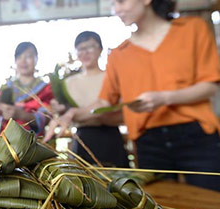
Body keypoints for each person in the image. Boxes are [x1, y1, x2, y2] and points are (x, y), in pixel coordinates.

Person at [51, 0, 220, 191]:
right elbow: (104, 101)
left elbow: (209, 86)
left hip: (197, 134)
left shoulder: (192, 30)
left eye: (121, 2)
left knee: (213, 202)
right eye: (114, 4)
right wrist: (73, 113)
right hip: (148, 141)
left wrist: (164, 98)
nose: (117, 9)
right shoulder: (119, 54)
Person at [44, 31, 128, 167]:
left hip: (111, 138)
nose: (85, 52)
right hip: (83, 137)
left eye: (90, 47)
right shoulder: (68, 83)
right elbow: (64, 114)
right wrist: (61, 110)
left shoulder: (111, 78)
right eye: (81, 49)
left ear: (100, 49)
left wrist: (77, 114)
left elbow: (123, 112)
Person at [0, 42, 53, 135]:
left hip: (33, 142)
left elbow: (48, 118)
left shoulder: (46, 88)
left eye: (28, 56)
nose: (23, 61)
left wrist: (21, 115)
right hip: (6, 142)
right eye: (19, 57)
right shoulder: (6, 88)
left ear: (36, 59)